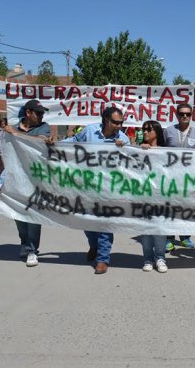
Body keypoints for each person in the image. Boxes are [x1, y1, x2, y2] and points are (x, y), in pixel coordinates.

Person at [64, 107, 130, 275]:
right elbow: (72, 144)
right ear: (106, 120)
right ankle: (93, 246)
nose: (119, 126)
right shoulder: (89, 131)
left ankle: (102, 259)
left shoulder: (123, 139)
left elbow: (130, 164)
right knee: (88, 222)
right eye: (116, 122)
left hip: (110, 189)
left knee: (105, 224)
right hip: (87, 186)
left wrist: (124, 151)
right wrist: (51, 144)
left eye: (121, 122)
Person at [0, 100, 52, 267]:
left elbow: (40, 140)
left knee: (34, 216)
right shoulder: (12, 128)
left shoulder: (43, 127)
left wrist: (15, 134)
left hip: (36, 180)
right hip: (16, 178)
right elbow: (3, 154)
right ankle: (24, 243)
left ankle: (32, 251)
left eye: (42, 113)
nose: (41, 116)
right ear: (28, 113)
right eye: (38, 113)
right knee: (18, 214)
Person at [162, 103, 195, 250]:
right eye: (181, 114)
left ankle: (185, 237)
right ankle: (169, 239)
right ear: (176, 115)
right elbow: (159, 151)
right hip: (170, 178)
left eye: (188, 114)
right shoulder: (168, 131)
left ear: (191, 115)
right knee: (170, 208)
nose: (184, 116)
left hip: (189, 179)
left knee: (186, 208)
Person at [137, 120, 168, 273]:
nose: (145, 132)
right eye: (143, 130)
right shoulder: (138, 150)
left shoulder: (166, 151)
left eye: (149, 130)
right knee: (146, 229)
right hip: (144, 195)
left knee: (160, 228)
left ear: (157, 132)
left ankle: (160, 257)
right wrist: (142, 152)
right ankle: (148, 258)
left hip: (161, 196)